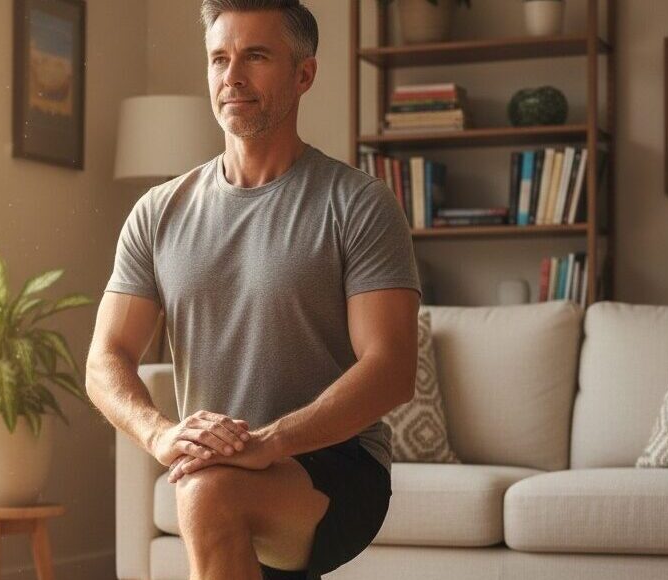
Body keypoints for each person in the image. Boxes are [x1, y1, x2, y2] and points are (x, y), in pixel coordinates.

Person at [85, 1, 422, 578]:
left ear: (304, 74)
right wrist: (162, 435)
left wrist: (270, 442)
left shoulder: (359, 205)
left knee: (206, 492)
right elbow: (105, 358)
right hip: (221, 461)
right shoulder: (157, 213)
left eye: (256, 56)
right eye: (219, 58)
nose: (231, 77)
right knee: (209, 485)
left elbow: (390, 367)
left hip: (337, 465)